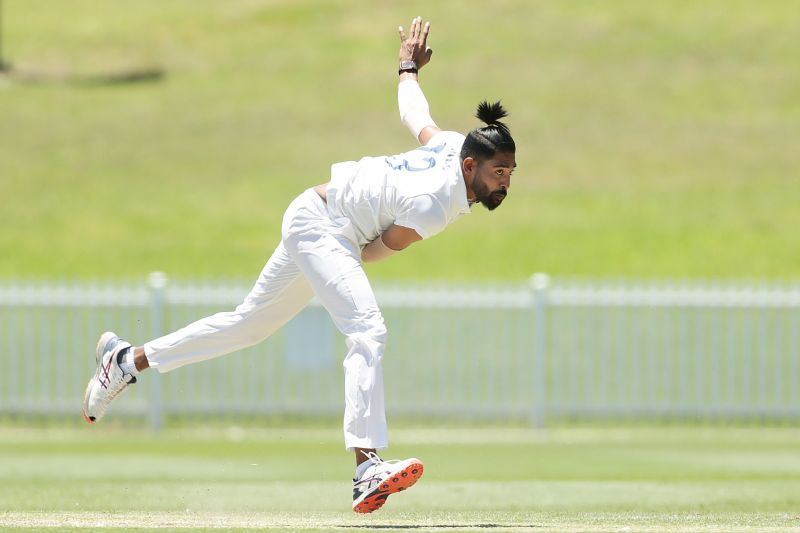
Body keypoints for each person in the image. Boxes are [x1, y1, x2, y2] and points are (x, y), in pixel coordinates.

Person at [82, 16, 516, 514]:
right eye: (498, 171)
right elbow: (376, 250)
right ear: (470, 166)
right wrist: (337, 267)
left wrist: (406, 68)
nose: (504, 181)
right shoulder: (438, 206)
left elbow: (415, 115)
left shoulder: (450, 144)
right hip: (323, 228)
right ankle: (366, 465)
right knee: (367, 329)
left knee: (246, 326)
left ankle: (126, 361)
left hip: (315, 219)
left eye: (510, 172)